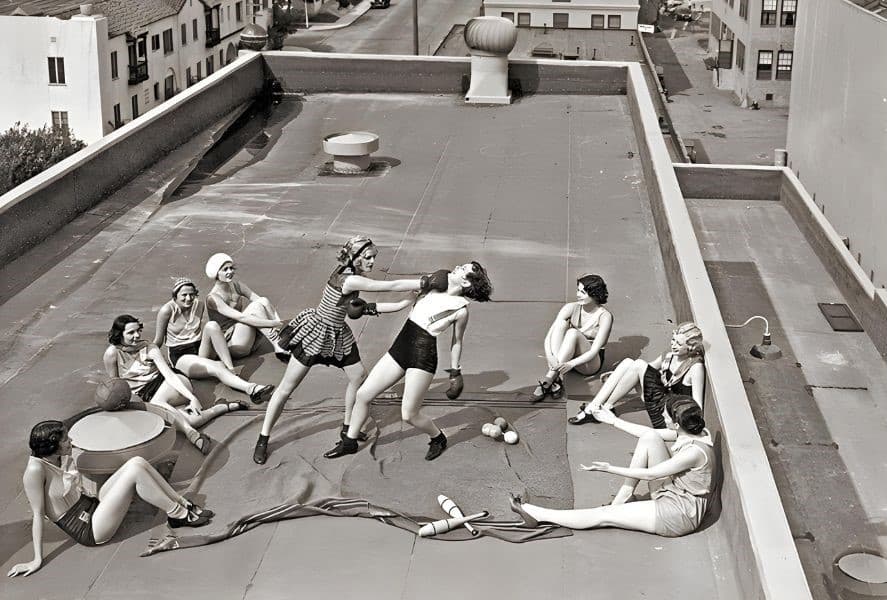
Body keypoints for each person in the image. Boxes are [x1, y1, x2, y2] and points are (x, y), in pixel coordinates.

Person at [253, 236, 425, 465]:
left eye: (374, 257)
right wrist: (424, 282)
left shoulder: (349, 273)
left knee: (358, 376)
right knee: (286, 388)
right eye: (368, 257)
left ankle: (347, 427)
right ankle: (263, 438)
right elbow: (388, 286)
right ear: (355, 258)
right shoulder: (351, 279)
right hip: (316, 332)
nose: (373, 262)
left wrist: (406, 302)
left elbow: (369, 307)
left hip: (337, 333)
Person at [324, 261, 493, 461]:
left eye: (462, 269)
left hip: (422, 357)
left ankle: (438, 438)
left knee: (409, 415)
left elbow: (457, 342)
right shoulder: (433, 285)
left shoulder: (461, 309)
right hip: (401, 347)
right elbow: (401, 301)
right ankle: (349, 442)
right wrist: (369, 308)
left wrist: (455, 372)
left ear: (466, 283)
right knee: (362, 395)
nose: (457, 267)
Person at [7, 421, 214, 578]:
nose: (70, 441)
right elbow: (37, 515)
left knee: (137, 462)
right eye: (65, 440)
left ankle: (180, 503)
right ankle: (179, 514)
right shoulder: (34, 470)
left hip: (92, 506)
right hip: (89, 529)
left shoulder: (55, 457)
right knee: (133, 473)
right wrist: (36, 559)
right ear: (52, 446)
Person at [509, 395, 716, 537]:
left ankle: (538, 515)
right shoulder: (693, 432)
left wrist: (609, 468)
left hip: (677, 514)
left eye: (665, 415)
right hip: (675, 492)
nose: (662, 416)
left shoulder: (693, 453)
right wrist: (613, 421)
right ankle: (622, 499)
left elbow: (651, 474)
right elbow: (644, 434)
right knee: (650, 437)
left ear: (676, 424)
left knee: (604, 516)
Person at [104, 314, 244, 454]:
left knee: (160, 405)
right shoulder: (112, 354)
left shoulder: (150, 348)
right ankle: (221, 407)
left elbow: (169, 376)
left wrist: (191, 398)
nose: (136, 335)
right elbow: (115, 384)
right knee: (190, 420)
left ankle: (192, 435)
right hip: (147, 396)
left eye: (138, 330)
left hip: (172, 385)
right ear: (119, 334)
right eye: (130, 332)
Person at [153, 277, 275, 405]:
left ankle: (231, 370)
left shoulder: (198, 304)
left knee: (212, 325)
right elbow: (158, 340)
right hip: (181, 356)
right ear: (175, 296)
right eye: (184, 295)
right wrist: (146, 358)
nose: (188, 298)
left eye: (191, 294)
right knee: (217, 366)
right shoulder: (167, 311)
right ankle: (253, 389)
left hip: (199, 348)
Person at [568, 321, 705, 427]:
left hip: (668, 415)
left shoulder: (695, 367)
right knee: (629, 363)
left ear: (691, 346)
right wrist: (617, 374)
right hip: (659, 398)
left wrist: (687, 429)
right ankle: (600, 407)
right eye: (673, 340)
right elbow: (647, 369)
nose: (673, 345)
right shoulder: (669, 355)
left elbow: (697, 406)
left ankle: (598, 408)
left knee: (638, 364)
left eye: (679, 344)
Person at [532, 274, 613, 402]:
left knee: (572, 333)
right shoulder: (570, 307)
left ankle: (550, 377)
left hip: (589, 363)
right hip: (565, 358)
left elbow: (593, 351)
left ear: (595, 294)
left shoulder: (605, 316)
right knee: (561, 324)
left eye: (583, 292)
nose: (578, 295)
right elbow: (549, 336)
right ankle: (555, 378)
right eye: (578, 290)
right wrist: (550, 357)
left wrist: (571, 364)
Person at [204, 253, 288, 360]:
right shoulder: (213, 298)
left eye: (231, 268)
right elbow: (241, 317)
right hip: (232, 344)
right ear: (216, 273)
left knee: (263, 300)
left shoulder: (237, 285)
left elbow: (261, 301)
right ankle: (278, 344)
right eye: (225, 269)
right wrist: (272, 323)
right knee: (255, 308)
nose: (230, 272)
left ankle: (278, 337)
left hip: (247, 338)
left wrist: (277, 322)